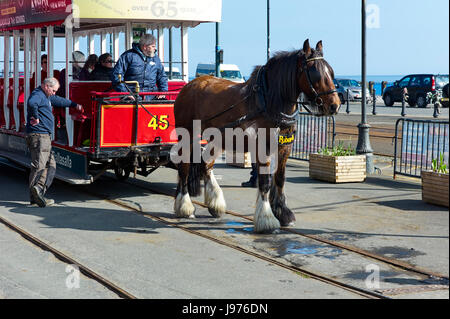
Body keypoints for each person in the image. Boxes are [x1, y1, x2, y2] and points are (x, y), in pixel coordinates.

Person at [26, 77, 83, 207]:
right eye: (53, 90)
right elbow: (31, 103)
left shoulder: (46, 96)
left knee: (50, 165)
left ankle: (39, 191)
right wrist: (36, 116)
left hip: (44, 136)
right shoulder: (38, 94)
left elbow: (59, 100)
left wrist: (74, 104)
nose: (54, 93)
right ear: (46, 86)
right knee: (39, 166)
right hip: (40, 136)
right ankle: (35, 197)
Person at [112, 34, 168, 100]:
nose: (155, 49)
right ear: (145, 47)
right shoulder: (128, 56)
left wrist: (163, 91)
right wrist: (125, 93)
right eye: (153, 46)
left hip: (152, 97)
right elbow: (116, 75)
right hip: (132, 97)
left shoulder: (156, 58)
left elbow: (162, 76)